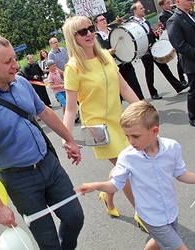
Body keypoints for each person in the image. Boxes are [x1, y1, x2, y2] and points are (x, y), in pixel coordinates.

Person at [0, 36, 84, 249]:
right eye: (8, 61)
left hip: (49, 165)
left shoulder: (20, 82)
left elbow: (45, 112)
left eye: (14, 58)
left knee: (75, 217)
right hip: (20, 181)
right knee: (47, 241)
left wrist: (69, 139)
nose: (15, 65)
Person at [76, 100, 195, 250]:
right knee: (178, 246)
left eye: (135, 136)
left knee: (159, 242)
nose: (130, 141)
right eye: (127, 136)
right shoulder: (127, 157)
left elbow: (180, 173)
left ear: (154, 131)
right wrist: (96, 185)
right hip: (150, 216)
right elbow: (115, 184)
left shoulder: (172, 147)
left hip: (170, 210)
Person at [62, 15, 141, 228]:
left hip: (119, 120)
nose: (89, 33)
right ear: (73, 38)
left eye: (89, 28)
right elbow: (70, 108)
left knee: (121, 166)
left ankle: (108, 197)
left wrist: (143, 109)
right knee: (127, 170)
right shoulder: (73, 67)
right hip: (99, 128)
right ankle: (142, 214)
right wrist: (67, 137)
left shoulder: (106, 55)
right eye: (82, 31)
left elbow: (123, 87)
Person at [167, 0, 195, 128]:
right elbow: (179, 45)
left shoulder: (194, 15)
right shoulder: (174, 20)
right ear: (178, 2)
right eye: (187, 0)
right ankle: (194, 118)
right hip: (193, 61)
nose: (191, 1)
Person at [130, 1, 188, 100]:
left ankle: (178, 86)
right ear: (135, 11)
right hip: (145, 51)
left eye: (143, 7)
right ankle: (153, 92)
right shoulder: (133, 24)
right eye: (141, 8)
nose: (144, 9)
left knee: (165, 68)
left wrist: (157, 33)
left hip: (154, 48)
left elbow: (150, 33)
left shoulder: (145, 20)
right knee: (149, 72)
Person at [93, 14, 145, 100]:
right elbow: (98, 53)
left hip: (125, 64)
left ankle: (142, 105)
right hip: (112, 68)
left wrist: (122, 24)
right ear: (96, 24)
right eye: (101, 20)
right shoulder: (96, 37)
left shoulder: (115, 31)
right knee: (117, 94)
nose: (104, 21)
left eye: (104, 19)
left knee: (135, 87)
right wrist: (108, 52)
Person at [158, 0, 188, 85]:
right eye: (167, 3)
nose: (170, 4)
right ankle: (182, 78)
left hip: (185, 35)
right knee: (181, 58)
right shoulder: (163, 16)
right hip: (177, 38)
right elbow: (169, 26)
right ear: (162, 6)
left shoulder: (174, 9)